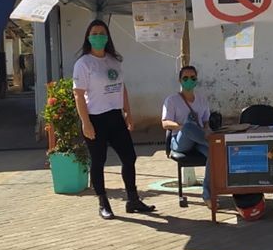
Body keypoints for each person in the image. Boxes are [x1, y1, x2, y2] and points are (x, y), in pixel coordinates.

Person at [72, 20, 155, 219]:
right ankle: (103, 203)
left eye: (102, 33)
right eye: (94, 33)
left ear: (107, 36)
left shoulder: (114, 60)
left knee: (129, 157)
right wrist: (86, 123)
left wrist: (128, 112)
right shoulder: (83, 63)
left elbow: (122, 87)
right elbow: (78, 94)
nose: (98, 36)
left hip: (115, 117)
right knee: (98, 161)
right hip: (95, 118)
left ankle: (133, 199)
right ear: (88, 37)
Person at [161, 66, 214, 207]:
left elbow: (206, 122)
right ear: (180, 80)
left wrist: (207, 129)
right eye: (185, 78)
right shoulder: (171, 100)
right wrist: (181, 127)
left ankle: (208, 194)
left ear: (196, 80)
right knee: (189, 126)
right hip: (180, 140)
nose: (189, 80)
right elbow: (165, 123)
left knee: (213, 154)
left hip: (199, 140)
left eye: (192, 78)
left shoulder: (202, 100)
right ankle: (214, 144)